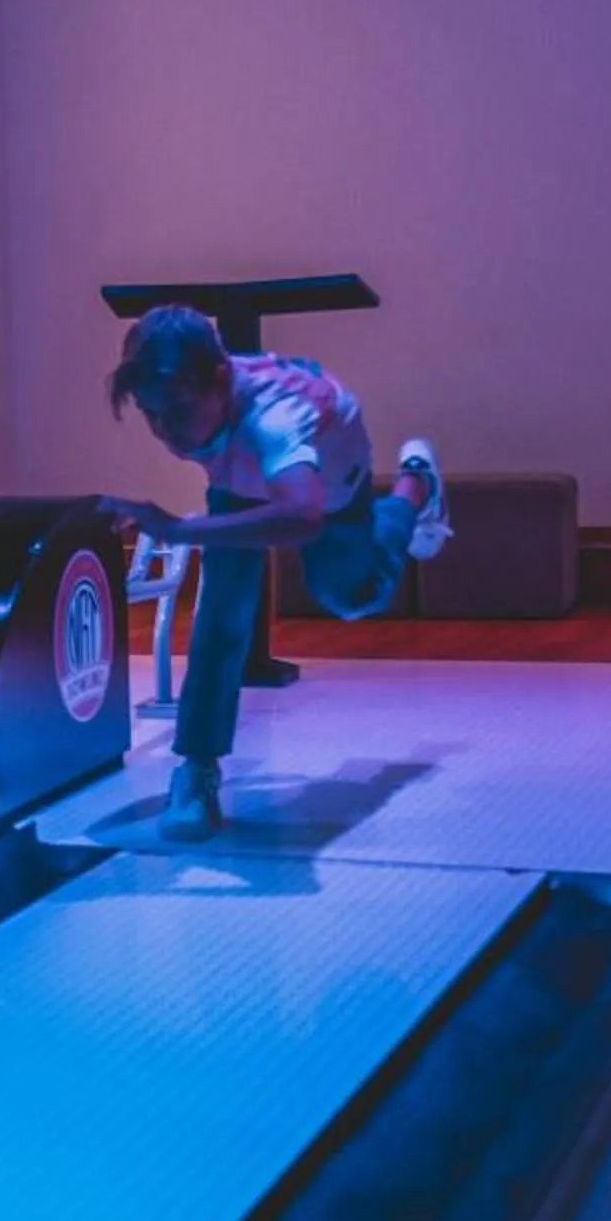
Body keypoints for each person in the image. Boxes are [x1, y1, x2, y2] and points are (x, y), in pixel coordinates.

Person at [99, 305, 450, 844]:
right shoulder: (202, 395)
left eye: (177, 409)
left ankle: (414, 488)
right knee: (221, 614)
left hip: (329, 478)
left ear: (220, 381)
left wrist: (176, 529)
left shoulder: (274, 420)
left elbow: (302, 517)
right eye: (151, 413)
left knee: (349, 595)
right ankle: (196, 771)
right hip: (246, 474)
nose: (166, 429)